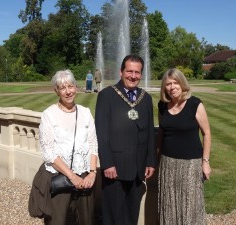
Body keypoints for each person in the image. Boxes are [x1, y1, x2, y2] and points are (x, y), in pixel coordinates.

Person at [95, 54, 157, 225]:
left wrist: (150, 161)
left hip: (138, 168)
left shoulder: (145, 98)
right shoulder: (107, 95)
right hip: (114, 168)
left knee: (132, 212)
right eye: (129, 71)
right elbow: (101, 133)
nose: (133, 76)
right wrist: (107, 163)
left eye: (137, 72)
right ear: (121, 72)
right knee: (113, 214)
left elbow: (150, 132)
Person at [38, 69, 98, 225]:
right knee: (59, 221)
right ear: (56, 91)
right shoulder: (49, 115)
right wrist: (72, 177)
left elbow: (93, 144)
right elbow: (49, 153)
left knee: (86, 221)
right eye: (62, 88)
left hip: (85, 179)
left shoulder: (85, 113)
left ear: (76, 87)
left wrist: (92, 173)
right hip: (61, 178)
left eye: (70, 86)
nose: (68, 91)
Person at [157, 68, 212, 225]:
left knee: (189, 205)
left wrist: (205, 162)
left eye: (176, 83)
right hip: (167, 163)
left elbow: (206, 133)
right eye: (168, 84)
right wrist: (157, 156)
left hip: (190, 164)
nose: (172, 87)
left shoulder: (195, 104)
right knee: (169, 205)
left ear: (182, 84)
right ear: (164, 87)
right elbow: (161, 132)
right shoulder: (162, 106)